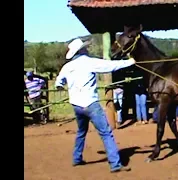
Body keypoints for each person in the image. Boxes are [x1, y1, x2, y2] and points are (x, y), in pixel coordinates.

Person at [55, 38, 135, 173]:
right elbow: (110, 66)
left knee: (81, 132)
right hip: (90, 104)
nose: (87, 49)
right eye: (85, 48)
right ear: (81, 50)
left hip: (76, 105)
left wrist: (60, 86)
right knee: (106, 133)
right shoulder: (89, 62)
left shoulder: (67, 67)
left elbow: (59, 81)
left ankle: (76, 158)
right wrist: (130, 62)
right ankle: (115, 164)